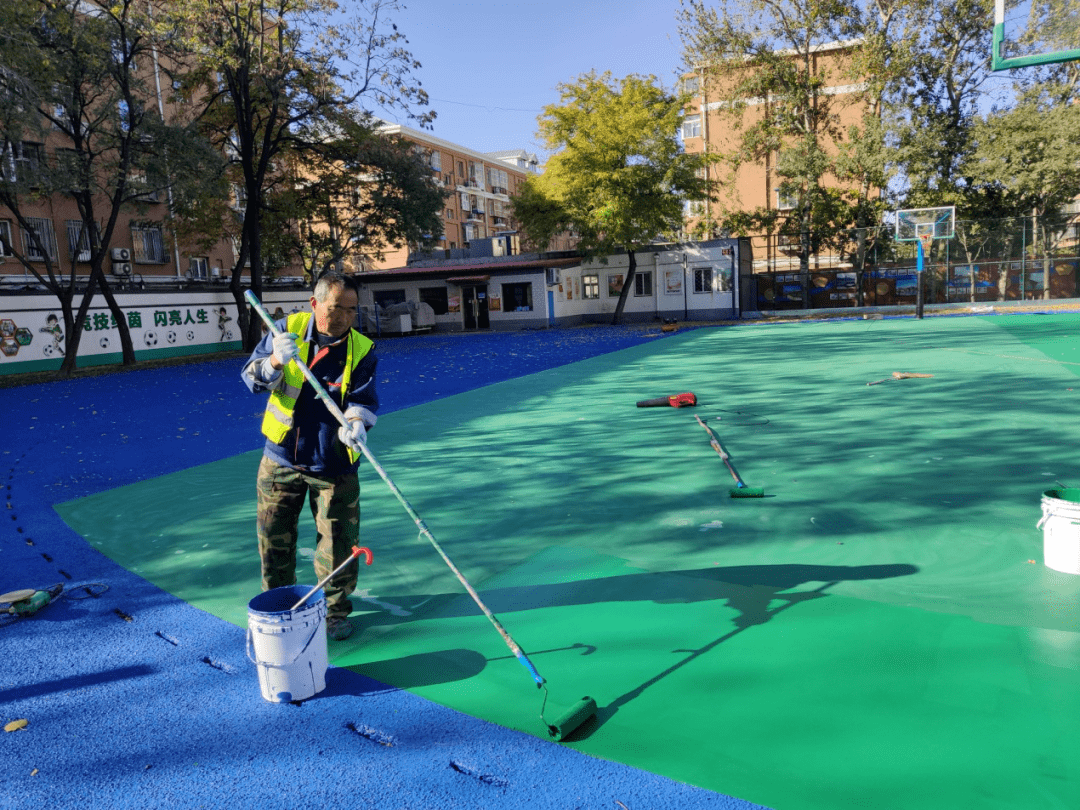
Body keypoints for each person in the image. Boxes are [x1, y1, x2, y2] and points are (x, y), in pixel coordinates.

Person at [241, 272, 378, 641]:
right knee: (274, 541)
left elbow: (363, 400)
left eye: (352, 310)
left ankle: (334, 611)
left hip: (334, 463)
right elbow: (251, 379)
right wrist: (274, 361)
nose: (344, 319)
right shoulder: (286, 329)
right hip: (281, 458)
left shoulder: (362, 348)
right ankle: (279, 606)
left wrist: (356, 424)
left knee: (338, 543)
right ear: (315, 303)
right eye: (336, 309)